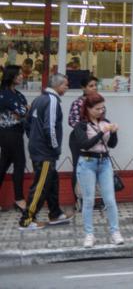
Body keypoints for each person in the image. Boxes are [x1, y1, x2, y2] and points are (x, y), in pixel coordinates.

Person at [19, 73, 73, 230]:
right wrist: (54, 148)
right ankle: (26, 220)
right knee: (41, 185)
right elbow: (50, 127)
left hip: (39, 149)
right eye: (65, 85)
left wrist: (34, 140)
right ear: (57, 85)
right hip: (45, 152)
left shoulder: (38, 99)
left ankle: (55, 214)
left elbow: (27, 123)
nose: (67, 88)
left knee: (52, 181)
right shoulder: (52, 100)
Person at [72, 94, 122, 247]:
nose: (101, 111)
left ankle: (115, 232)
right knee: (88, 201)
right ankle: (89, 234)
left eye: (103, 108)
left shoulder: (105, 122)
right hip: (87, 162)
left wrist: (113, 132)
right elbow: (84, 144)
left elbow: (112, 144)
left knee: (110, 200)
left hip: (104, 162)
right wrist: (101, 132)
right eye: (97, 108)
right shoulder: (81, 125)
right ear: (88, 109)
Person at [68, 75, 102, 209]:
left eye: (95, 85)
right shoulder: (78, 103)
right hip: (79, 139)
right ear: (83, 88)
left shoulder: (99, 102)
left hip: (96, 139)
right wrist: (89, 128)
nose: (94, 88)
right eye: (91, 86)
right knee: (79, 168)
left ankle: (92, 199)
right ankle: (78, 200)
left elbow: (102, 119)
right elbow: (72, 122)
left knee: (95, 167)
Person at [0, 65, 28, 213]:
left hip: (15, 132)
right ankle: (19, 199)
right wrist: (23, 111)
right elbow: (22, 110)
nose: (22, 76)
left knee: (3, 165)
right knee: (19, 163)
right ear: (11, 76)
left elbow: (25, 110)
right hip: (8, 133)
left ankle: (19, 199)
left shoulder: (16, 93)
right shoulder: (4, 94)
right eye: (19, 74)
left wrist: (23, 111)